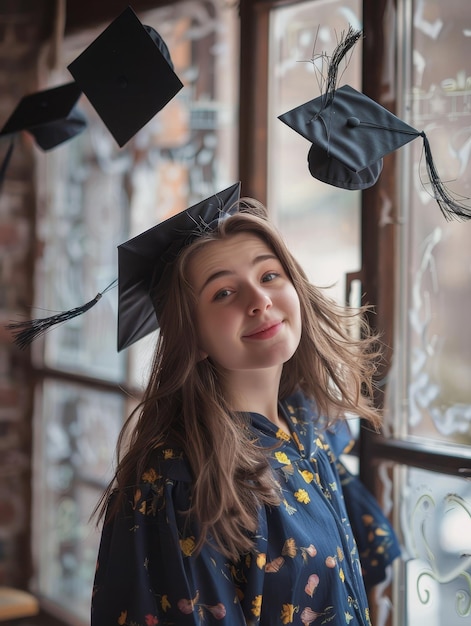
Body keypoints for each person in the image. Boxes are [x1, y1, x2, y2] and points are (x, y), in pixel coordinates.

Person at [91, 187, 400, 626]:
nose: (259, 301)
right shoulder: (179, 480)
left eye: (269, 275)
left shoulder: (304, 424)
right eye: (223, 293)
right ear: (192, 338)